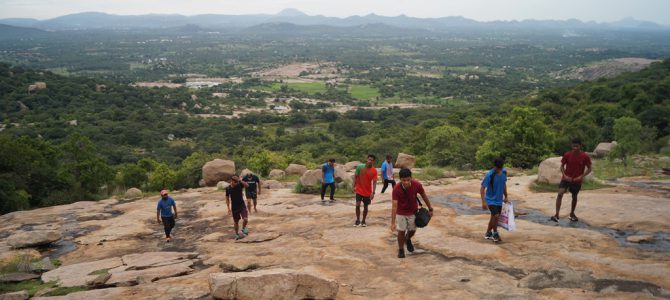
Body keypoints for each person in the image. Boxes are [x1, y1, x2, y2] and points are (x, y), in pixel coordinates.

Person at [391, 168, 434, 258]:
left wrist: (430, 208)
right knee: (401, 231)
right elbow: (394, 206)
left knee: (412, 230)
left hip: (413, 211)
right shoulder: (396, 189)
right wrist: (392, 222)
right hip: (401, 212)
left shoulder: (417, 185)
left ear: (411, 178)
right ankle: (401, 250)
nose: (406, 182)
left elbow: (424, 196)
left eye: (408, 180)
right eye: (403, 180)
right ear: (400, 180)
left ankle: (407, 239)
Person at [551, 138, 592, 222]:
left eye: (577, 146)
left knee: (574, 196)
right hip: (566, 178)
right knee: (560, 193)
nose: (575, 148)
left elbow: (589, 169)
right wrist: (565, 175)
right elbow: (562, 166)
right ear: (571, 146)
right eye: (573, 146)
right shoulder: (567, 154)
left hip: (577, 180)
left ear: (580, 146)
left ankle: (572, 214)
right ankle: (556, 215)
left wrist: (581, 176)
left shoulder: (585, 156)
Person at [480, 158, 508, 243]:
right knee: (496, 216)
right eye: (496, 168)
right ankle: (495, 233)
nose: (497, 170)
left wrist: (506, 196)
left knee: (493, 217)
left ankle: (488, 233)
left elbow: (503, 184)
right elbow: (482, 188)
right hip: (490, 200)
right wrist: (483, 202)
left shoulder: (504, 173)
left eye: (499, 168)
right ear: (494, 166)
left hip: (499, 200)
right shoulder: (489, 175)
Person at [353, 154, 378, 227]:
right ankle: (357, 220)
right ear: (367, 159)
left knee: (365, 206)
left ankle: (363, 220)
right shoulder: (360, 167)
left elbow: (374, 182)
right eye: (369, 159)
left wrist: (373, 192)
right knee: (357, 204)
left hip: (367, 191)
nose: (370, 161)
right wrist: (353, 186)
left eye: (371, 160)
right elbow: (355, 176)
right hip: (359, 189)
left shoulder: (374, 171)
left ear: (373, 161)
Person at [226, 175, 250, 240]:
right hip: (234, 207)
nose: (236, 183)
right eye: (235, 181)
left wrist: (240, 180)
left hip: (242, 205)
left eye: (237, 181)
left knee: (245, 219)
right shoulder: (228, 188)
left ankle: (243, 229)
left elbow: (247, 186)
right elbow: (227, 198)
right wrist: (228, 208)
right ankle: (236, 234)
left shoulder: (239, 184)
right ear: (232, 181)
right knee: (236, 221)